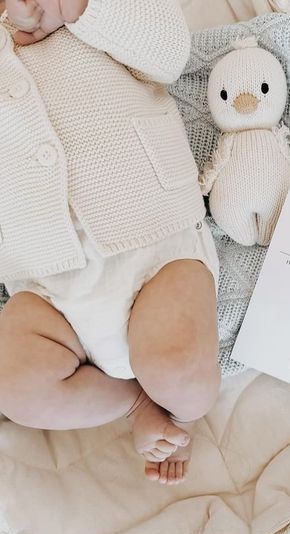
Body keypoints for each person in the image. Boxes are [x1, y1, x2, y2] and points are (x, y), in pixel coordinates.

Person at [0, 0, 221, 486]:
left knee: (179, 367)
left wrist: (77, 9)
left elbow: (170, 50)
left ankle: (177, 412)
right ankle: (135, 402)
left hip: (155, 243)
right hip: (46, 284)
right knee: (14, 385)